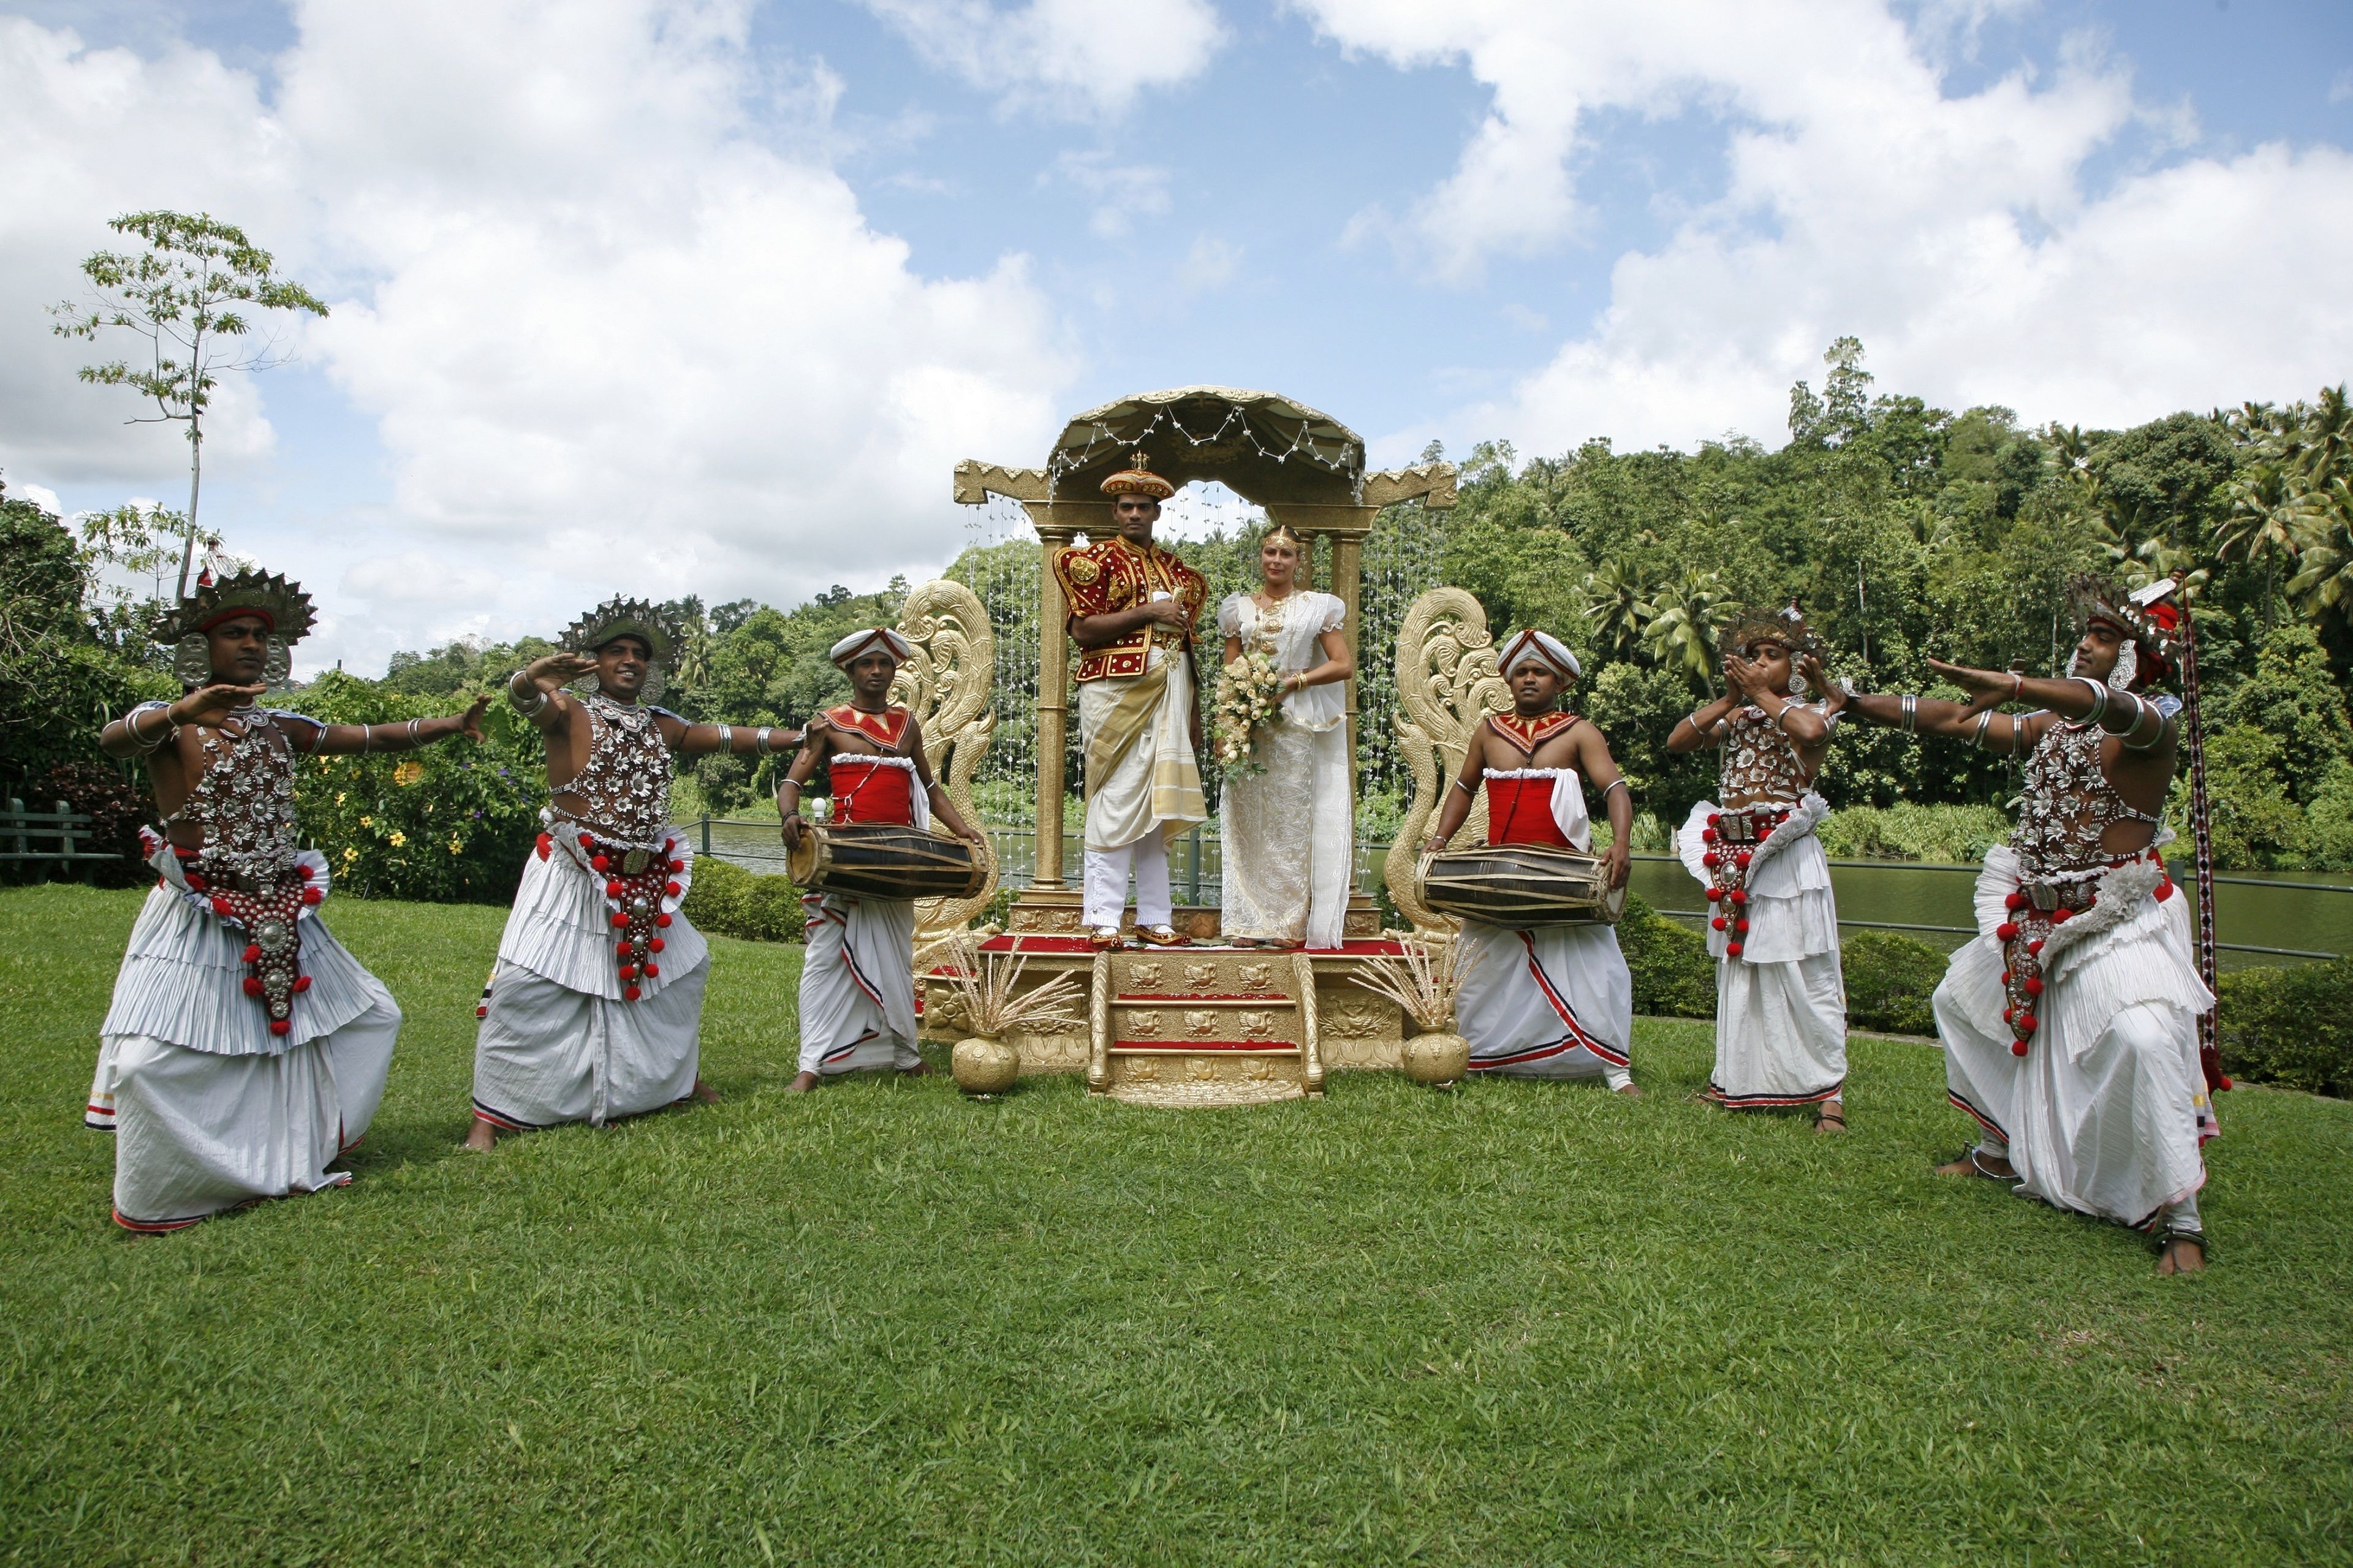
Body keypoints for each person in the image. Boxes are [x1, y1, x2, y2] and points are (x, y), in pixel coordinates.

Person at [1835, 578, 2216, 1273]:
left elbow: (2107, 708)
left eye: (2104, 637)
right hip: (2035, 915)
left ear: (2139, 660)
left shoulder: (2151, 729)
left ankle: (2181, 1219)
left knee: (2144, 1036)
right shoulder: (2053, 728)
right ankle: (2003, 1148)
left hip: (2114, 917)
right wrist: (1854, 704)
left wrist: (2016, 686)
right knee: (1956, 1001)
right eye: (2087, 633)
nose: (2084, 643)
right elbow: (1951, 720)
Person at [89, 570, 487, 1230]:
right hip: (197, 911)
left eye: (261, 636)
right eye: (234, 634)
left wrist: (448, 724)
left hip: (283, 908)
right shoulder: (168, 727)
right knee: (147, 1062)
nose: (251, 645)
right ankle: (170, 1186)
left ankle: (280, 1155)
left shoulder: (281, 726)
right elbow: (114, 738)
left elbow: (369, 737)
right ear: (200, 649)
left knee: (371, 1017)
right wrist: (181, 712)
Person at [466, 599, 795, 1149]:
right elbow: (525, 701)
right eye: (617, 650)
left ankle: (671, 1081)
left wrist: (800, 736)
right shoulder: (567, 711)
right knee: (527, 984)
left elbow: (726, 736)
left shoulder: (661, 725)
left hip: (640, 876)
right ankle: (490, 1116)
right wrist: (529, 679)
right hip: (571, 868)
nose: (629, 660)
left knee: (680, 974)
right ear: (593, 661)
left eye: (639, 654)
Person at [1422, 630, 1640, 1093]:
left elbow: (1614, 788)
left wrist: (1620, 843)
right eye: (1520, 671)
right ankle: (1479, 1055)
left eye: (1539, 672)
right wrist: (1439, 838)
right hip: (1497, 878)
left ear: (1559, 682)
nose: (1528, 679)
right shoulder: (1489, 730)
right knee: (1485, 971)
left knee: (1596, 970)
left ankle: (1613, 1070)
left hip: (1562, 879)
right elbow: (1462, 788)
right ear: (1508, 679)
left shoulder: (1579, 731)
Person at [1665, 605, 1850, 1131]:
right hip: (1734, 855)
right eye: (1753, 656)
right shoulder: (1736, 715)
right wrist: (1729, 698)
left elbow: (1812, 732)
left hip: (1788, 859)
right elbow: (1678, 741)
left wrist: (1763, 694)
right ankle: (1736, 1079)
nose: (1761, 663)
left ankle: (1828, 1095)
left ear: (1794, 665)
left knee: (1803, 968)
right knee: (1742, 969)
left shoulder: (1808, 710)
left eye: (1773, 655)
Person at [783, 627, 987, 1091]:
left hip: (896, 860)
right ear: (850, 671)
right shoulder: (829, 723)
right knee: (824, 962)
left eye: (885, 664)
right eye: (866, 665)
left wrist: (961, 829)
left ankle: (904, 1054)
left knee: (895, 960)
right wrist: (790, 816)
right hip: (845, 859)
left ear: (895, 671)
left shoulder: (907, 725)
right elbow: (792, 782)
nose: (877, 672)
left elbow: (932, 789)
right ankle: (811, 1062)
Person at [1052, 452, 1210, 950]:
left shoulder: (1180, 572)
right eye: (1126, 506)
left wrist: (1194, 711)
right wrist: (1147, 611)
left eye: (1143, 506)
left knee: (1158, 806)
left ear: (1158, 511)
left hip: (1171, 691)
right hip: (1116, 691)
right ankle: (1102, 917)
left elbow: (1186, 644)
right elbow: (1081, 630)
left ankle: (1156, 918)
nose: (1135, 514)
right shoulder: (1095, 563)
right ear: (1114, 512)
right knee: (1116, 800)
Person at [1216, 523, 1355, 949]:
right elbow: (1230, 672)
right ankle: (1246, 920)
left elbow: (1342, 664)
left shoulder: (1316, 607)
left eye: (1286, 553)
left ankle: (1287, 923)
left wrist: (1293, 682)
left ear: (1299, 561)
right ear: (1260, 556)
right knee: (1245, 821)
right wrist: (1227, 730)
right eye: (1269, 552)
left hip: (1295, 728)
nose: (1276, 560)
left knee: (1290, 823)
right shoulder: (1238, 609)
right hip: (1249, 728)